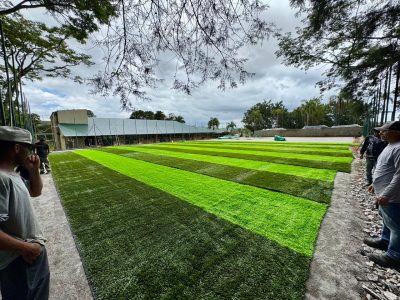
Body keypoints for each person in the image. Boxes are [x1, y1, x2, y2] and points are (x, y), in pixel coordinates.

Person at [0, 126, 50, 299]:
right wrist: (26, 247)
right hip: (20, 260)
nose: (31, 152)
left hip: (27, 254)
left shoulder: (12, 175)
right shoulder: (2, 178)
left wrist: (34, 169)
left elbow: (35, 191)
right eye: (28, 147)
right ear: (16, 148)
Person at [364, 120, 400, 269]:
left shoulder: (398, 148)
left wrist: (386, 194)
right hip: (383, 192)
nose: (381, 133)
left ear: (396, 133)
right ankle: (385, 241)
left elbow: (399, 175)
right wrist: (374, 183)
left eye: (384, 131)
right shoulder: (390, 146)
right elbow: (384, 168)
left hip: (391, 196)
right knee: (388, 221)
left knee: (397, 226)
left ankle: (394, 255)